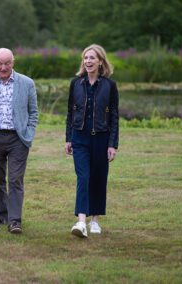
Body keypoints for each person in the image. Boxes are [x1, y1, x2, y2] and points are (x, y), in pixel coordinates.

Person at [0, 48, 38, 234]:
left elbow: (34, 112)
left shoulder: (27, 83)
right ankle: (2, 216)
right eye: (0, 63)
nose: (3, 67)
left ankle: (14, 221)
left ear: (13, 62)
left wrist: (28, 134)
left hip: (17, 138)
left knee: (15, 180)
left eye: (7, 63)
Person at [65, 44, 119, 238]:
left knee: (98, 178)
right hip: (79, 138)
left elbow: (114, 116)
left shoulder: (109, 86)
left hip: (102, 138)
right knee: (83, 177)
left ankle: (94, 219)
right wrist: (68, 138)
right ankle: (81, 222)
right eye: (86, 58)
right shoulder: (76, 84)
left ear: (100, 61)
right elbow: (71, 113)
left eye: (92, 58)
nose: (88, 61)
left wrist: (113, 144)